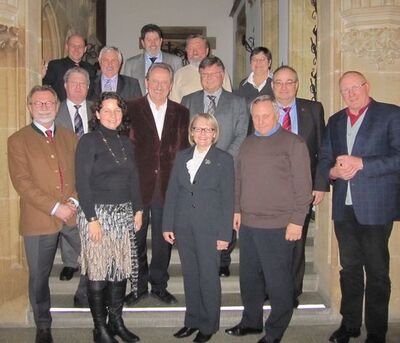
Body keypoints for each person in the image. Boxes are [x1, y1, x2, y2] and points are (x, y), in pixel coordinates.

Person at [317, 71, 400, 343]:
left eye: (355, 87)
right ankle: (349, 324)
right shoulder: (336, 120)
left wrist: (362, 163)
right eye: (345, 90)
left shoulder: (390, 114)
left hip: (376, 208)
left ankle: (376, 332)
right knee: (349, 269)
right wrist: (333, 173)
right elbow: (326, 158)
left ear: (367, 87)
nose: (350, 93)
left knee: (377, 272)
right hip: (344, 207)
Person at [226, 95, 312, 343]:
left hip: (279, 225)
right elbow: (239, 179)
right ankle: (251, 321)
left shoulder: (293, 143)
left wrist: (297, 220)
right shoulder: (248, 143)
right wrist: (237, 209)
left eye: (266, 115)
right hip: (250, 224)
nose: (261, 121)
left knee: (278, 282)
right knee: (249, 278)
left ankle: (275, 330)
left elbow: (303, 186)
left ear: (276, 115)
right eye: (257, 116)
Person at [8, 85, 79, 343]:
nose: (44, 106)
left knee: (95, 259)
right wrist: (54, 207)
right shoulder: (17, 140)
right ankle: (43, 324)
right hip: (38, 220)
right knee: (39, 277)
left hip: (72, 214)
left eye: (49, 102)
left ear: (57, 106)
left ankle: (86, 297)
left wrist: (72, 201)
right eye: (38, 103)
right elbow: (22, 183)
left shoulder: (70, 137)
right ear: (29, 107)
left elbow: (79, 174)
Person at [75, 92, 142, 343]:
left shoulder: (127, 143)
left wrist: (138, 209)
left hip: (123, 213)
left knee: (119, 271)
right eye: (107, 110)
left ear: (122, 114)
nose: (112, 115)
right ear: (97, 113)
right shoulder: (89, 141)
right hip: (97, 216)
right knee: (99, 272)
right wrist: (91, 218)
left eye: (117, 110)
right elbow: (82, 182)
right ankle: (99, 328)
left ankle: (116, 322)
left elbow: (134, 178)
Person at [163, 113, 234, 343]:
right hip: (184, 226)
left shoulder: (224, 159)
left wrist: (225, 234)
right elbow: (173, 191)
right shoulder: (182, 156)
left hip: (209, 228)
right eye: (198, 129)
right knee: (190, 276)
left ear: (215, 133)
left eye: (208, 129)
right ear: (191, 133)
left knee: (208, 277)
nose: (203, 134)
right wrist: (167, 224)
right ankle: (191, 320)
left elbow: (228, 199)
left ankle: (208, 324)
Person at [124, 62, 190, 305]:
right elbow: (124, 151)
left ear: (171, 85)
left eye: (165, 82)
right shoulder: (130, 108)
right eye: (155, 81)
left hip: (168, 188)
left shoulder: (181, 112)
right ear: (146, 81)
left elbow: (184, 152)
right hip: (138, 188)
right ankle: (138, 286)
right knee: (136, 239)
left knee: (164, 241)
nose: (160, 86)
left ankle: (159, 285)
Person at [181, 55, 248, 277]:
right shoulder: (188, 101)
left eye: (213, 74)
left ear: (222, 75)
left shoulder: (237, 102)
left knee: (224, 210)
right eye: (204, 75)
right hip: (195, 170)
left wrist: (221, 161)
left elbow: (241, 134)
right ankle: (200, 251)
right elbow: (184, 135)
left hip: (227, 168)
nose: (208, 78)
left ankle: (223, 258)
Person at [271, 65, 328, 306]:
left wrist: (320, 183)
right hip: (269, 188)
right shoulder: (261, 109)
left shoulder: (313, 109)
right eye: (279, 82)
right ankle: (270, 287)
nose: (284, 87)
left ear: (296, 84)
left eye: (289, 82)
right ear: (272, 86)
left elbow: (323, 149)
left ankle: (292, 291)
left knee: (296, 242)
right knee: (270, 241)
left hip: (300, 188)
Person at [55, 67, 92, 307]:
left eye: (83, 84)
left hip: (92, 176)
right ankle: (71, 262)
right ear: (66, 86)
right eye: (74, 84)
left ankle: (86, 280)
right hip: (64, 176)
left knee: (89, 229)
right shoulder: (53, 109)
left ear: (88, 87)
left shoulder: (98, 109)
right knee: (68, 224)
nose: (78, 88)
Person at [169, 34, 231, 103]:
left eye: (199, 48)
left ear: (207, 51)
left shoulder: (220, 72)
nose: (195, 52)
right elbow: (174, 103)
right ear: (186, 51)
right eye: (190, 49)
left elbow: (229, 100)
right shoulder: (179, 74)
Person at [123, 24, 182, 94]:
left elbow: (179, 90)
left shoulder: (175, 62)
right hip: (139, 104)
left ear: (161, 41)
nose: (153, 43)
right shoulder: (131, 64)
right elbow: (127, 92)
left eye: (156, 39)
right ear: (143, 42)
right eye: (149, 40)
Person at [43, 34, 96, 101]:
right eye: (73, 46)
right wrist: (41, 76)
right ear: (67, 47)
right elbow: (44, 87)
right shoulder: (55, 66)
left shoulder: (91, 69)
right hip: (62, 109)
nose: (76, 49)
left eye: (80, 46)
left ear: (85, 49)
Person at [234, 46, 274, 135]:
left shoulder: (276, 83)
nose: (258, 63)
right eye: (254, 60)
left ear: (269, 62)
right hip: (247, 133)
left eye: (262, 59)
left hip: (270, 132)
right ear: (250, 63)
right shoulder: (243, 84)